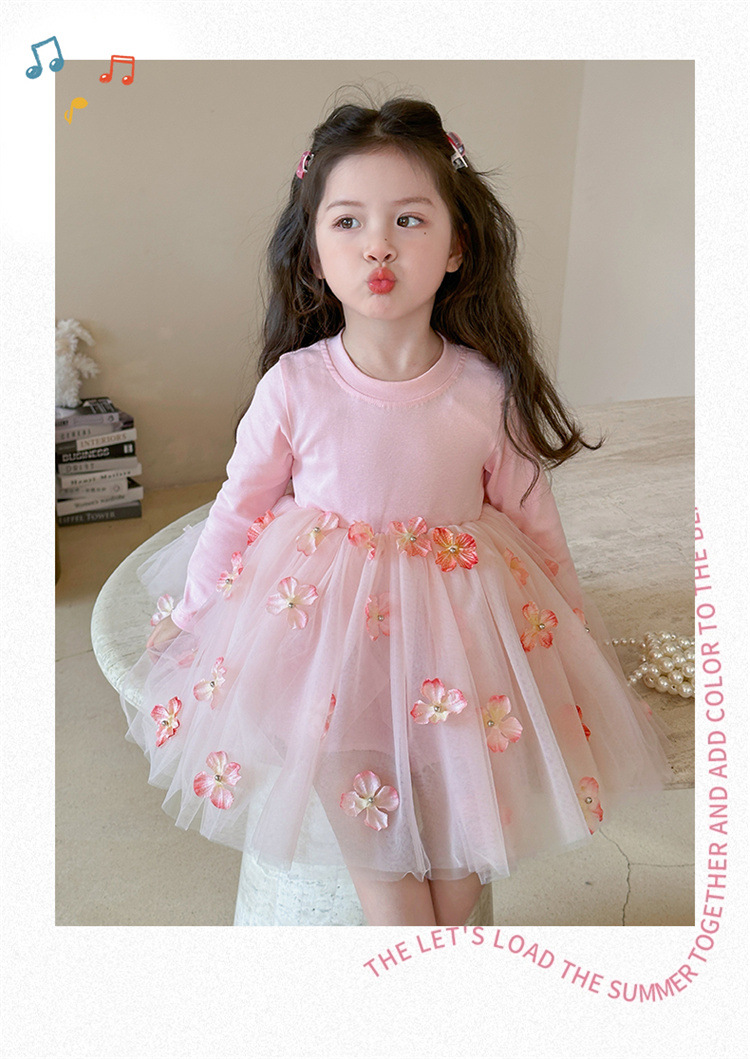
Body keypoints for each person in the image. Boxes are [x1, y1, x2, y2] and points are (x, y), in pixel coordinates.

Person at [121, 96, 672, 927]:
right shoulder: (295, 387)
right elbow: (238, 509)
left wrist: (573, 623)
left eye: (409, 220)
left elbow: (532, 516)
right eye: (347, 222)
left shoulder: (485, 390)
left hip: (459, 649)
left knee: (458, 880)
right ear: (314, 254)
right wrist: (195, 615)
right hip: (325, 651)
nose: (377, 244)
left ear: (456, 247)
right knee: (393, 891)